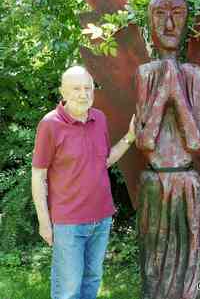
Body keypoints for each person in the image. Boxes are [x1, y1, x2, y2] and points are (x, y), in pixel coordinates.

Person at [31, 65, 136, 299]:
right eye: (76, 88)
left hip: (101, 218)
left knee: (92, 282)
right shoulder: (50, 124)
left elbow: (104, 160)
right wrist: (44, 222)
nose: (83, 94)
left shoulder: (99, 118)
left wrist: (130, 137)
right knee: (68, 289)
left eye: (88, 88)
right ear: (63, 92)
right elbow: (38, 175)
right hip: (68, 223)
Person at [135, 0, 200, 299]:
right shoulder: (146, 73)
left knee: (188, 267)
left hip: (186, 180)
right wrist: (167, 87)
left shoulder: (192, 75)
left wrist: (176, 87)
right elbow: (146, 140)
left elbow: (195, 141)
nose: (169, 25)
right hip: (155, 182)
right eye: (160, 15)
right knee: (154, 267)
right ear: (150, 21)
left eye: (177, 14)